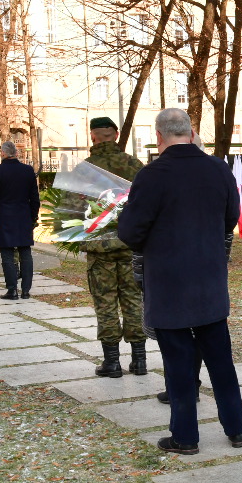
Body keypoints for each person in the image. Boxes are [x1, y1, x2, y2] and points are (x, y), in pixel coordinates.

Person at [115, 108, 242, 454]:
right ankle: (237, 429)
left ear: (158, 136)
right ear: (191, 132)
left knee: (178, 364)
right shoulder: (218, 169)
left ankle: (186, 436)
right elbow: (230, 217)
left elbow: (130, 232)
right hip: (209, 279)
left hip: (169, 282)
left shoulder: (152, 175)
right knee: (221, 361)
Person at [82, 117, 147, 378]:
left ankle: (112, 362)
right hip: (131, 245)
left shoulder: (84, 170)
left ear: (92, 136)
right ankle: (139, 360)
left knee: (105, 302)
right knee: (133, 300)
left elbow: (71, 212)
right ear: (116, 135)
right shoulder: (135, 166)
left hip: (100, 248)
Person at [0, 140, 40, 301]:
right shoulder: (27, 170)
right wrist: (33, 216)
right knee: (25, 252)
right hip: (23, 215)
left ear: (3, 153)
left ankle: (12, 290)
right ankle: (26, 290)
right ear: (16, 153)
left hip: (4, 217)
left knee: (7, 254)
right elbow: (34, 197)